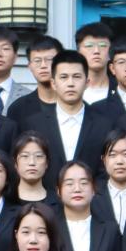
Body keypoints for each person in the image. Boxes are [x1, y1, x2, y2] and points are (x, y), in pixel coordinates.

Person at [42, 49, 109, 178]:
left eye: (77, 77)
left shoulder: (104, 125)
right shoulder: (35, 124)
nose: (70, 83)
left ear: (87, 83)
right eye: (64, 77)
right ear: (53, 83)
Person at [73, 22, 117, 104]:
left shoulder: (121, 90)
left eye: (102, 45)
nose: (96, 51)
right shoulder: (69, 88)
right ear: (78, 52)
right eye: (89, 46)